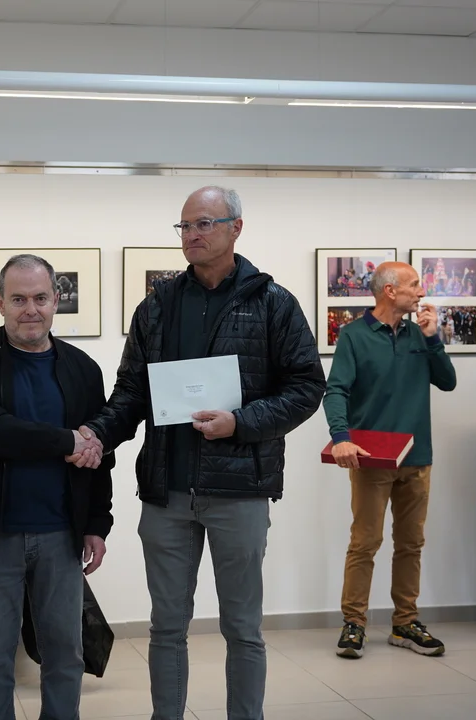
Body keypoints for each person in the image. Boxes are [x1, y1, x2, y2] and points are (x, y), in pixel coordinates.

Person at [80, 186, 325, 720]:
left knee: (243, 628)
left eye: (205, 223)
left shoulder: (273, 303)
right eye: (185, 226)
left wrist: (241, 422)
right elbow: (132, 392)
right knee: (166, 628)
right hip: (167, 493)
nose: (192, 234)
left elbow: (307, 387)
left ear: (236, 228)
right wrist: (96, 435)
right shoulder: (157, 305)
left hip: (240, 491)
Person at [0, 254, 114, 720]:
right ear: (0, 302)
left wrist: (97, 523)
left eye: (40, 298)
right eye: (18, 299)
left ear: (56, 300)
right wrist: (67, 441)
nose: (30, 310)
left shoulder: (83, 369)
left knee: (65, 655)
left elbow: (99, 456)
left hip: (61, 534)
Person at [323, 261, 456, 660]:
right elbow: (336, 390)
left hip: (418, 457)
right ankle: (354, 623)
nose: (422, 291)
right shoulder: (353, 335)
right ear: (389, 291)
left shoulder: (420, 334)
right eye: (414, 284)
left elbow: (447, 382)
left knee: (411, 544)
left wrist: (433, 339)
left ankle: (405, 623)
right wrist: (341, 438)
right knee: (365, 543)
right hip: (372, 460)